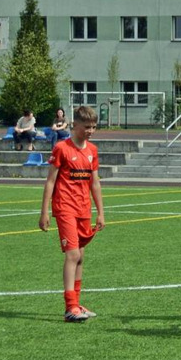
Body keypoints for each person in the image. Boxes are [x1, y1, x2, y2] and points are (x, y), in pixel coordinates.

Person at [38, 106, 106, 322]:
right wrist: (44, 211)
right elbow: (50, 181)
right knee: (73, 255)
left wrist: (101, 212)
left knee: (80, 256)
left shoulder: (92, 150)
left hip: (83, 209)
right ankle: (70, 307)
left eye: (94, 127)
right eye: (87, 127)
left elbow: (95, 183)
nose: (90, 131)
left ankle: (76, 303)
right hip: (65, 207)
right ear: (75, 125)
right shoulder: (61, 148)